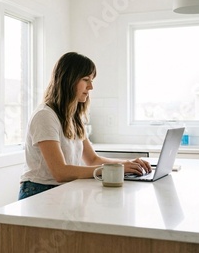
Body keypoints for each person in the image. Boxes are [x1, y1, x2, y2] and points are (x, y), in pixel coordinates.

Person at [18, 52, 151, 200]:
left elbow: (92, 159)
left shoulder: (74, 117)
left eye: (92, 80)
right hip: (39, 192)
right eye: (86, 79)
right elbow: (60, 172)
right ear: (67, 80)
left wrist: (125, 164)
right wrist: (109, 170)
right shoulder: (44, 116)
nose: (91, 86)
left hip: (63, 190)